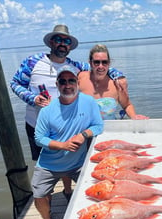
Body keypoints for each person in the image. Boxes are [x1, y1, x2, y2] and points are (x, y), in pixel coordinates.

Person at [10, 25, 124, 201]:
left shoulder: (75, 66)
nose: (62, 44)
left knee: (69, 156)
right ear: (51, 42)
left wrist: (119, 77)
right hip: (38, 122)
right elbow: (15, 83)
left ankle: (68, 190)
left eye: (66, 41)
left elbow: (101, 68)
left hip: (69, 122)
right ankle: (48, 194)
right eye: (58, 40)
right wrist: (32, 98)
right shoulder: (32, 62)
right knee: (46, 158)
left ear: (70, 46)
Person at [32, 64, 103, 219]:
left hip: (78, 164)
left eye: (71, 80)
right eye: (62, 81)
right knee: (38, 195)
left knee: (97, 191)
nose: (67, 85)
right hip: (49, 164)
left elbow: (98, 126)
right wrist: (62, 145)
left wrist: (83, 134)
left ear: (77, 83)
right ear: (57, 85)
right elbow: (39, 138)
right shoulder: (47, 111)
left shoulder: (88, 102)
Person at [78, 44, 149, 120]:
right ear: (90, 63)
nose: (101, 66)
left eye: (104, 62)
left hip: (111, 128)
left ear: (109, 63)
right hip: (86, 130)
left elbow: (127, 105)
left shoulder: (117, 84)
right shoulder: (80, 79)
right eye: (96, 62)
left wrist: (134, 116)